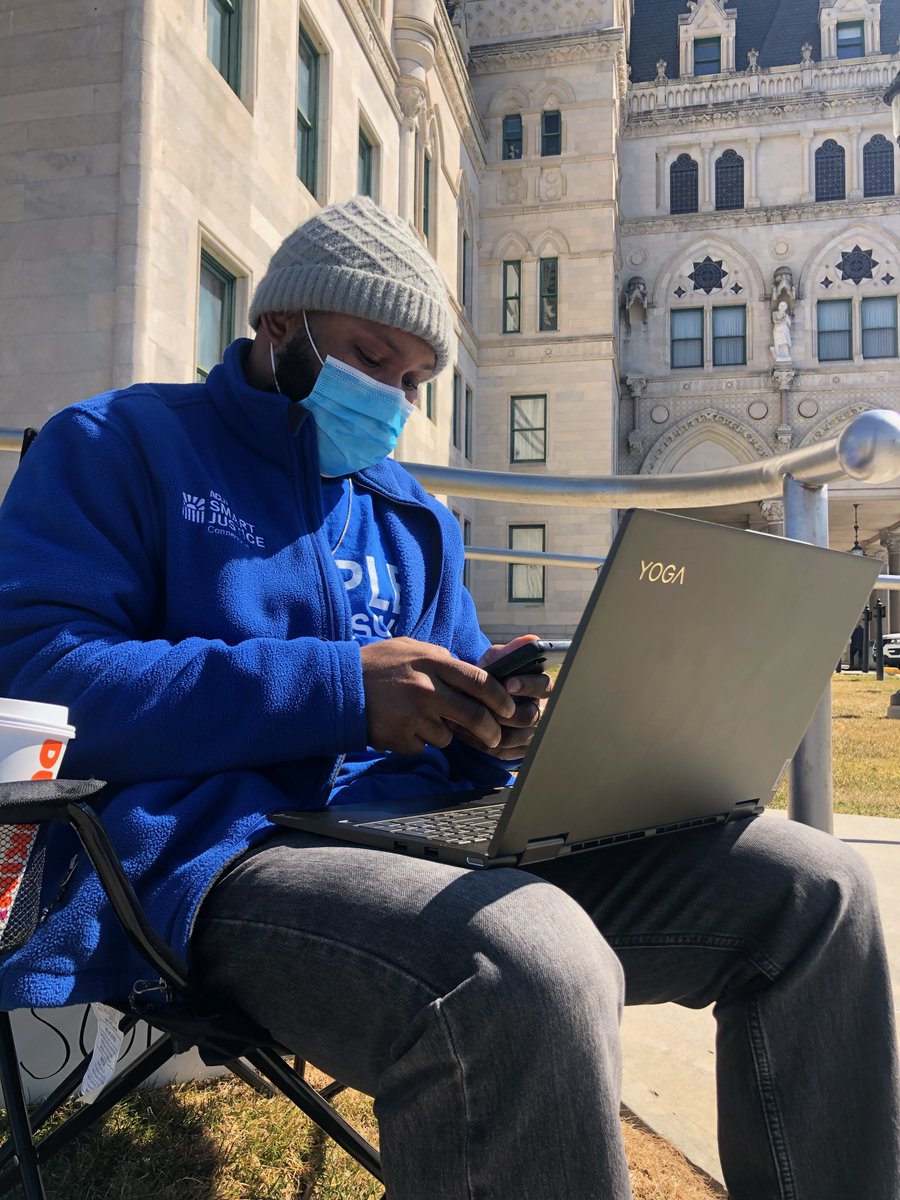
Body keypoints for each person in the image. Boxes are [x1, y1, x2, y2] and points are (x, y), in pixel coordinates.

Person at [0, 197, 897, 1199]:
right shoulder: (120, 446)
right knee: (522, 964)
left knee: (817, 889)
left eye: (414, 379)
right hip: (212, 856)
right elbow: (42, 672)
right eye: (370, 357)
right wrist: (341, 689)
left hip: (428, 832)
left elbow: (455, 698)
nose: (391, 395)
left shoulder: (410, 517)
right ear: (279, 325)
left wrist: (506, 731)